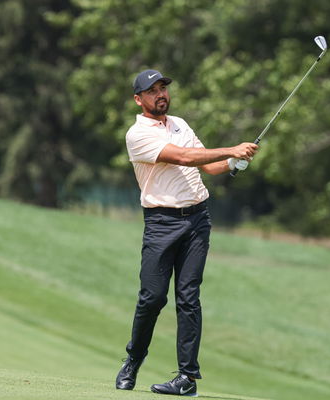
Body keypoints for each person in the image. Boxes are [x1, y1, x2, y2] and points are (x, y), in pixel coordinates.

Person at [115, 69, 258, 397]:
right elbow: (182, 157)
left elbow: (207, 166)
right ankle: (133, 359)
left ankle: (187, 379)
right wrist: (231, 149)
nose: (160, 94)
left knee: (189, 298)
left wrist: (235, 163)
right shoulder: (137, 134)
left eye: (163, 88)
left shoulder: (180, 124)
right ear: (139, 100)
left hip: (197, 221)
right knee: (152, 298)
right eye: (152, 91)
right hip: (161, 223)